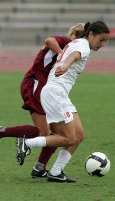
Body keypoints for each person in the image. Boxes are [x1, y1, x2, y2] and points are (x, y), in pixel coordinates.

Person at [16, 20, 110, 182]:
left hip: (58, 94)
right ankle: (27, 143)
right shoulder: (83, 46)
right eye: (101, 40)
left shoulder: (77, 42)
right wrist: (66, 65)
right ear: (91, 34)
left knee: (78, 135)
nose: (102, 44)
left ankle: (56, 172)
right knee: (68, 138)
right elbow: (74, 56)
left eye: (105, 42)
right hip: (55, 94)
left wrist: (65, 63)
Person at [0, 23, 85, 182]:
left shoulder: (74, 49)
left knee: (55, 134)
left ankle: (39, 167)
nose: (78, 38)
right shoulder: (65, 42)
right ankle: (6, 133)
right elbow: (49, 40)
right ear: (72, 33)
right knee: (47, 133)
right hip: (36, 85)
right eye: (77, 34)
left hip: (44, 89)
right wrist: (62, 54)